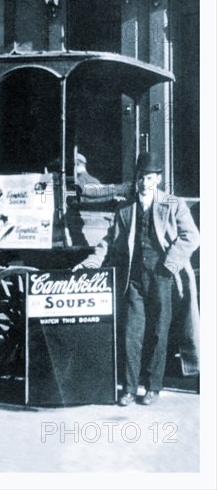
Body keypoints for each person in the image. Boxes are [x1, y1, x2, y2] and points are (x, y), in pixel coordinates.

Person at [73, 152, 200, 406]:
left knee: (158, 333)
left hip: (163, 277)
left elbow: (191, 236)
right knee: (132, 332)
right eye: (141, 178)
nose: (144, 183)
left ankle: (153, 387)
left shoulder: (173, 204)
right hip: (134, 279)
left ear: (159, 179)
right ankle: (129, 389)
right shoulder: (125, 208)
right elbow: (110, 241)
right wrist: (93, 260)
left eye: (150, 178)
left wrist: (171, 263)